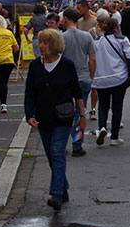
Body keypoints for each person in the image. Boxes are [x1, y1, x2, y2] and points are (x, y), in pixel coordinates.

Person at [24, 29, 85, 210]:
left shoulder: (66, 65)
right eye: (40, 42)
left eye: (45, 43)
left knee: (57, 152)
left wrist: (82, 115)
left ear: (55, 44)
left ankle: (56, 194)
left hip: (63, 117)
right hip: (43, 117)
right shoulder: (35, 66)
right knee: (51, 156)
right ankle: (63, 187)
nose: (41, 46)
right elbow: (30, 93)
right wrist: (30, 115)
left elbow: (77, 91)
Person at [93, 18, 130, 146]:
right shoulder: (122, 40)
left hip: (101, 78)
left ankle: (101, 127)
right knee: (117, 106)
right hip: (118, 77)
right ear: (117, 27)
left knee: (103, 104)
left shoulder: (97, 42)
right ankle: (115, 136)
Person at [60, 8, 96, 157]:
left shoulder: (61, 37)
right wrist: (91, 76)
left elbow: (58, 60)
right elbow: (92, 59)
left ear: (67, 19)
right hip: (83, 78)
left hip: (66, 80)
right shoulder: (87, 36)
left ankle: (61, 144)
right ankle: (77, 144)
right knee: (80, 112)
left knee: (63, 112)